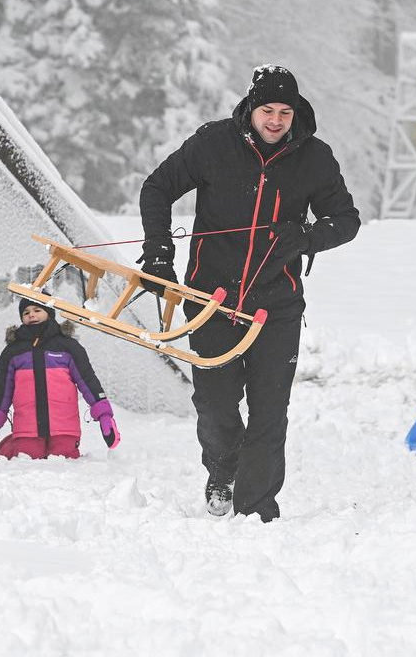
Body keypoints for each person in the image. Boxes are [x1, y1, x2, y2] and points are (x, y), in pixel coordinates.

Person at [138, 64, 360, 521]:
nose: (276, 121)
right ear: (251, 109)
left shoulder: (314, 158)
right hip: (211, 300)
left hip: (276, 304)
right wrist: (159, 253)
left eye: (285, 112)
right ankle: (223, 470)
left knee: (269, 412)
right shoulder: (214, 143)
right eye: (267, 110)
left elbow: (346, 220)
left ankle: (256, 510)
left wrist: (307, 237)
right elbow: (157, 188)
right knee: (215, 406)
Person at [0, 300, 120, 460]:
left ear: (49, 313)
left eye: (37, 310)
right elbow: (1, 390)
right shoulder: (13, 351)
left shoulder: (67, 346)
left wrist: (105, 417)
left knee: (64, 462)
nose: (31, 314)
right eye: (26, 312)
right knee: (26, 461)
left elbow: (88, 381)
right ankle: (9, 445)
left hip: (64, 427)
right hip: (27, 428)